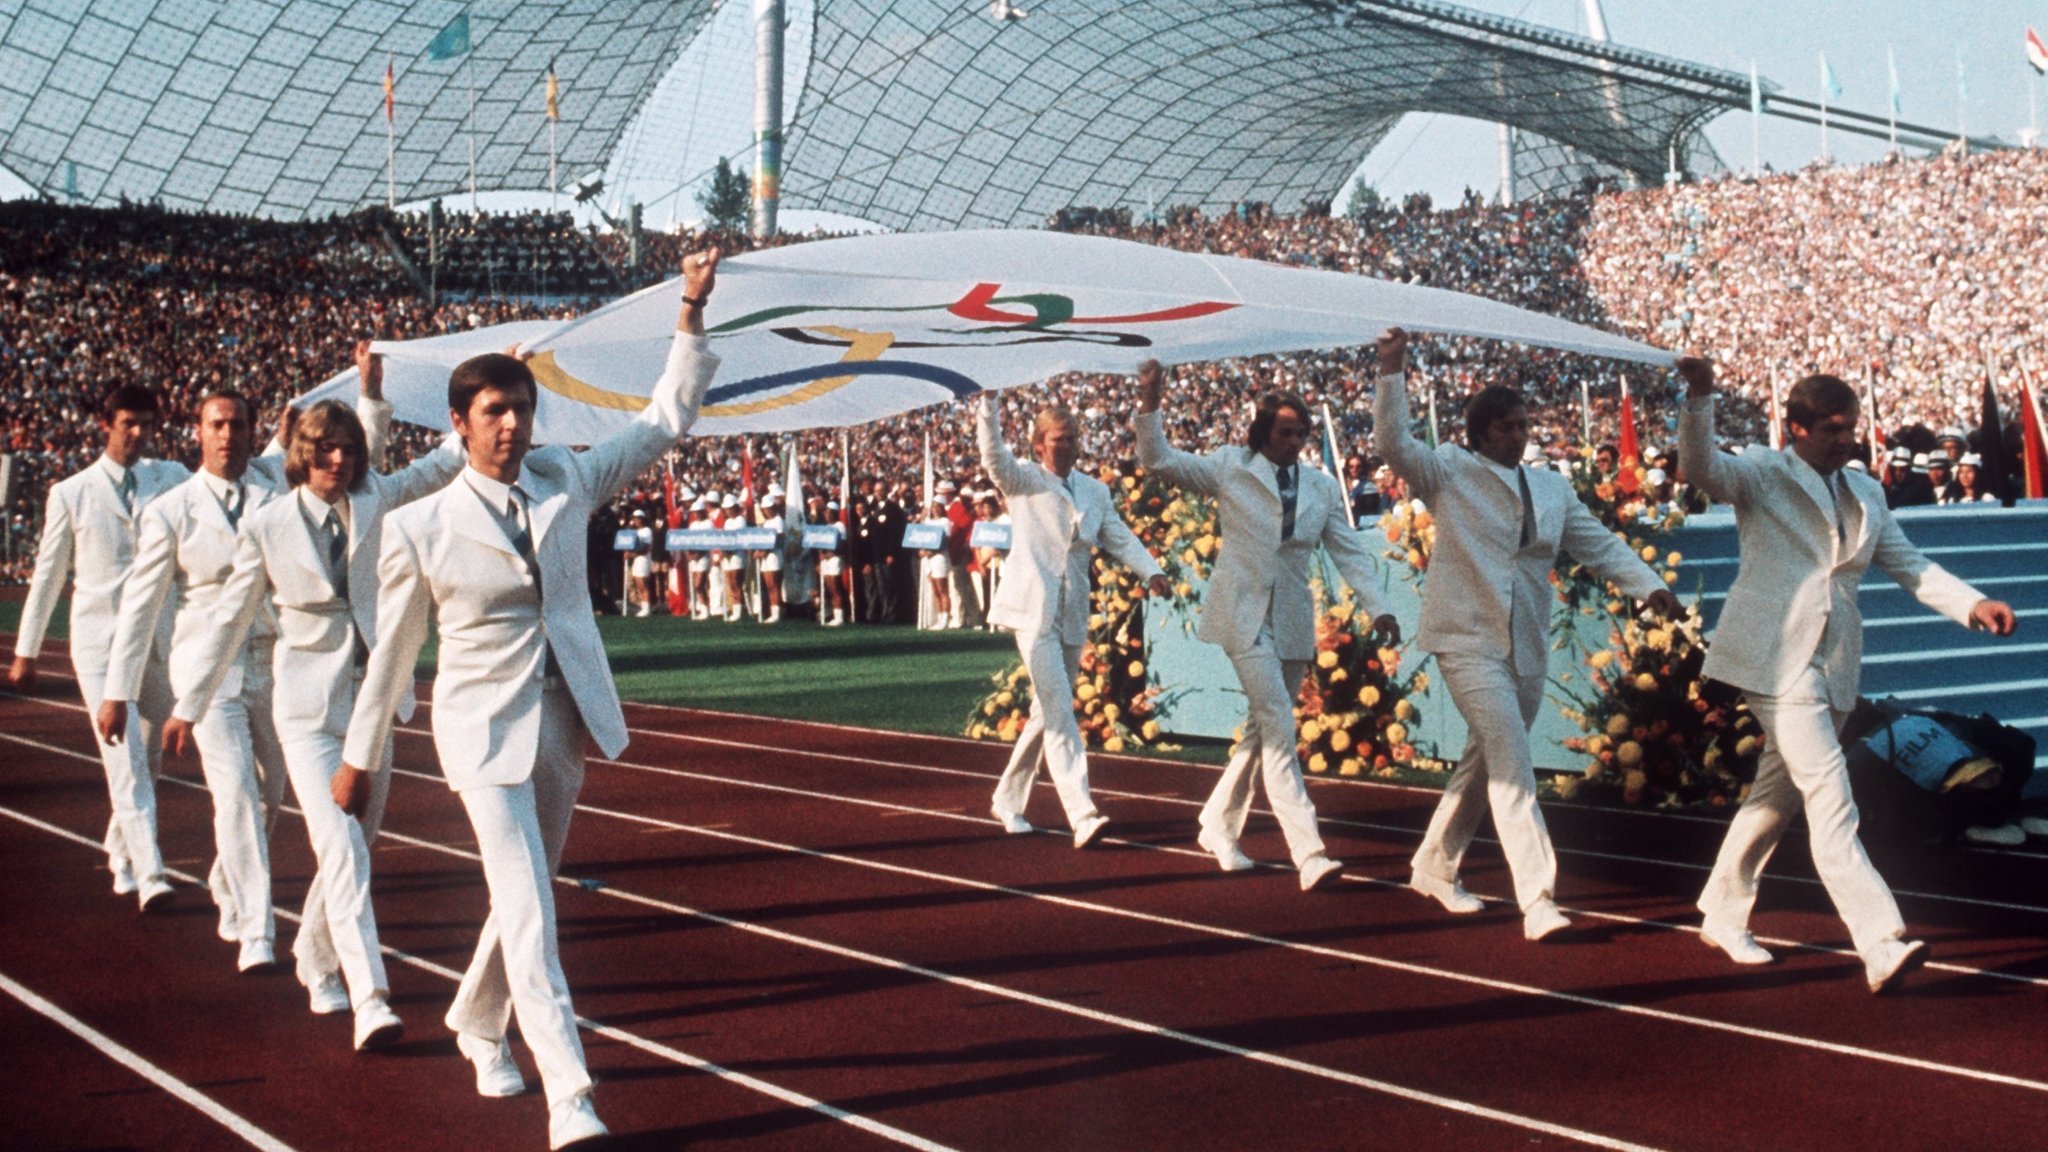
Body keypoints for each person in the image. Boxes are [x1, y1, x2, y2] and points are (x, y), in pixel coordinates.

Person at [339, 249, 723, 1148]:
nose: (511, 425)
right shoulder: (419, 525)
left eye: (520, 409)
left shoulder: (567, 479)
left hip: (562, 718)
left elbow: (665, 419)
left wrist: (690, 313)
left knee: (530, 894)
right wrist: (360, 756)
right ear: (459, 427)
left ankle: (476, 1018)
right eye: (493, 413)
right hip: (476, 730)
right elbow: (393, 650)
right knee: (528, 904)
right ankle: (571, 1096)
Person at [1676, 357, 2017, 993]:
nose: (1846, 438)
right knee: (1831, 794)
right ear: (1795, 428)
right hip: (1773, 657)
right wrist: (1699, 399)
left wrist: (1972, 603)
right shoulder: (1761, 473)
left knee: (1774, 796)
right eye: (1831, 428)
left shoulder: (1867, 492)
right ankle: (1881, 940)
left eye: (1851, 427)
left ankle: (1721, 910)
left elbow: (1909, 565)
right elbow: (1700, 469)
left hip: (1833, 660)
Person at [159, 343, 465, 1049]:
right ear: (301, 456)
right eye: (324, 452)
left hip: (372, 701)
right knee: (342, 848)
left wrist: (407, 397)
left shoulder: (377, 498)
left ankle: (315, 957)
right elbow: (232, 617)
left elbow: (438, 466)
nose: (338, 463)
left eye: (347, 451)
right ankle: (372, 998)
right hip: (304, 710)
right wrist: (189, 703)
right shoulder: (267, 525)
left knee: (358, 844)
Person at [1373, 329, 1681, 941]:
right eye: (1506, 426)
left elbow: (1596, 543)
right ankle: (1538, 900)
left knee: (1484, 759)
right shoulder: (1447, 471)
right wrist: (1391, 368)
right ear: (1481, 431)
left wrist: (1649, 586)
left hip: (1527, 642)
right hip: (1465, 639)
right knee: (1513, 762)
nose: (1518, 435)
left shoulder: (1550, 486)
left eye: (1523, 425)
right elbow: (1391, 441)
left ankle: (1434, 867)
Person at [1136, 359, 1399, 891]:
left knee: (1261, 730)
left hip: (1292, 617)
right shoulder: (1230, 466)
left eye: (1301, 433)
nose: (1295, 442)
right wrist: (1150, 400)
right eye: (1285, 432)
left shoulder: (1321, 487)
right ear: (1262, 431)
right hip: (1242, 614)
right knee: (1279, 721)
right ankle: (1309, 851)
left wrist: (1379, 606)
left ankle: (1215, 825)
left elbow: (1349, 553)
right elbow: (1158, 459)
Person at [98, 391, 305, 974]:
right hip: (204, 674)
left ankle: (226, 875)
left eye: (238, 425)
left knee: (272, 793)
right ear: (198, 432)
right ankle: (256, 930)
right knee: (234, 794)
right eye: (216, 425)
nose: (226, 436)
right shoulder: (171, 510)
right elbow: (140, 607)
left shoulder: (277, 494)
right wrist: (119, 691)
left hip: (272, 659)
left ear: (250, 431)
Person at [10, 385, 187, 912]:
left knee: (150, 757)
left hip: (159, 639)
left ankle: (120, 851)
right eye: (128, 423)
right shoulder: (72, 492)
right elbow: (47, 576)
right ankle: (153, 872)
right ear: (105, 423)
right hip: (100, 645)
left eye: (146, 424)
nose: (138, 434)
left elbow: (231, 479)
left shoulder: (171, 479)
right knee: (125, 759)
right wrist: (27, 650)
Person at [976, 392, 1169, 847]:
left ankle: (1007, 798)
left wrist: (1152, 570)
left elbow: (1117, 536)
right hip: (1032, 611)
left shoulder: (1095, 490)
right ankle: (1082, 813)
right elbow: (992, 454)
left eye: (1071, 439)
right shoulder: (1022, 480)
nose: (1065, 446)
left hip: (1072, 611)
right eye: (1056, 440)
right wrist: (988, 404)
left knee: (1046, 710)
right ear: (1038, 444)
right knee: (1062, 710)